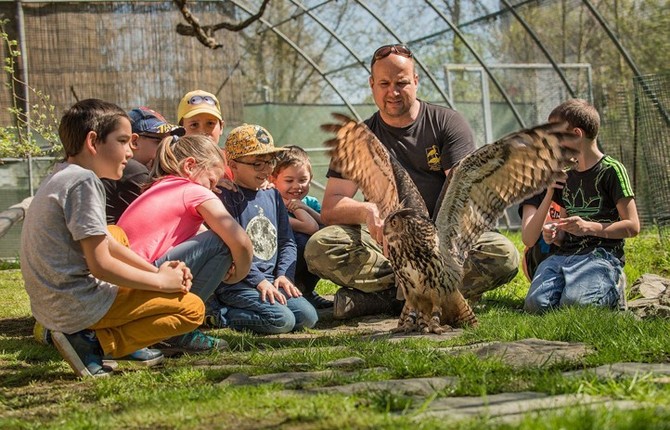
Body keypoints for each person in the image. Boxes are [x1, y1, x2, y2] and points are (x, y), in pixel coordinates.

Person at [305, 44, 519, 319]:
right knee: (321, 246)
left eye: (401, 83)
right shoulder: (360, 137)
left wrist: (436, 246)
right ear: (372, 85)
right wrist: (368, 211)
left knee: (502, 253)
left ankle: (387, 300)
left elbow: (464, 198)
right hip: (388, 248)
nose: (392, 92)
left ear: (416, 81)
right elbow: (331, 207)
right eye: (384, 83)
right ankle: (426, 297)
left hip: (444, 248)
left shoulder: (447, 123)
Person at [20, 99, 203, 377]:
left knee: (115, 233)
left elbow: (107, 241)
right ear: (93, 141)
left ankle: (100, 336)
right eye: (123, 141)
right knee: (192, 308)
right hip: (74, 306)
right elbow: (101, 264)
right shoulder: (84, 182)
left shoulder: (61, 174)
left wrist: (155, 271)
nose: (131, 150)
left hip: (52, 302)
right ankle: (96, 342)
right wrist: (161, 282)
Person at [118, 135, 253, 353]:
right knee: (221, 242)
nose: (212, 189)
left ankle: (161, 327)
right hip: (142, 283)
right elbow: (240, 240)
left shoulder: (160, 187)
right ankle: (177, 329)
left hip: (126, 286)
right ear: (190, 166)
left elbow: (197, 237)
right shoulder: (193, 191)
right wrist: (239, 274)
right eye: (211, 181)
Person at [524, 98, 640, 314]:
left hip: (601, 254)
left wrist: (590, 227)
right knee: (535, 306)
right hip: (565, 255)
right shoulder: (565, 176)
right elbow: (562, 228)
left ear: (576, 134)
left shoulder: (612, 171)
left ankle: (614, 286)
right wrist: (554, 233)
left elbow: (633, 226)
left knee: (576, 306)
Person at [206, 125, 319, 334]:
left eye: (269, 162)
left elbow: (287, 241)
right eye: (257, 164)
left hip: (271, 280)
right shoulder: (224, 197)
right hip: (237, 283)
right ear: (233, 165)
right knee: (282, 320)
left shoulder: (273, 195)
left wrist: (284, 275)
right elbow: (232, 250)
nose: (266, 170)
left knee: (308, 317)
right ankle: (220, 314)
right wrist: (258, 281)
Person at [271, 145, 332, 309]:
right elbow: (310, 227)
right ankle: (290, 290)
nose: (297, 186)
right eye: (289, 181)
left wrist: (305, 208)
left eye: (303, 180)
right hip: (281, 261)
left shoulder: (309, 202)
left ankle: (307, 290)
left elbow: (324, 223)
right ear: (273, 179)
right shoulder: (273, 203)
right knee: (303, 240)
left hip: (303, 263)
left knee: (322, 242)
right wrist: (295, 207)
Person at [102, 106, 185, 224]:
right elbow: (174, 214)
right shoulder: (132, 170)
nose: (166, 149)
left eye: (169, 142)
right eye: (159, 141)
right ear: (134, 141)